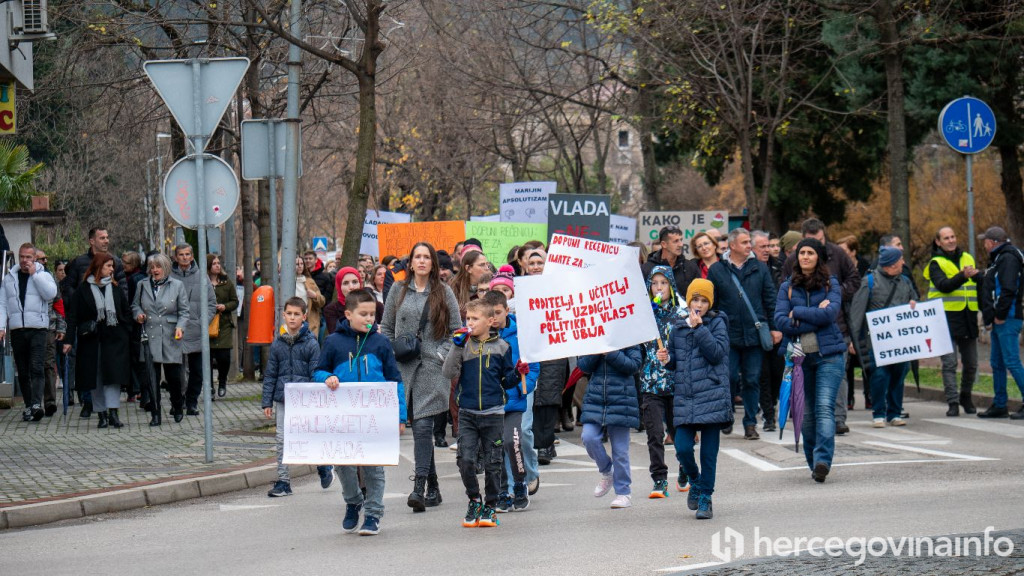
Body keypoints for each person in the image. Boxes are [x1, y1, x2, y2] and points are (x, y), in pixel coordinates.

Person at [314, 289, 407, 535]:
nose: (369, 319)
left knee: (373, 467)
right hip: (343, 417)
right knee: (343, 463)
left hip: (375, 417)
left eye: (373, 314)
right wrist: (328, 377)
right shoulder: (333, 341)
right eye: (363, 314)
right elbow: (318, 371)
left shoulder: (381, 342)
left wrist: (400, 416)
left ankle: (373, 514)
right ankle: (353, 500)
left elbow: (394, 380)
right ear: (348, 314)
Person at [380, 242, 462, 512]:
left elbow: (457, 331)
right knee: (420, 428)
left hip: (431, 367)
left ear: (433, 263)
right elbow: (388, 327)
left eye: (427, 257)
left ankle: (419, 487)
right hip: (404, 366)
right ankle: (435, 488)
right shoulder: (397, 290)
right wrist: (392, 354)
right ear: (411, 262)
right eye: (418, 257)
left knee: (424, 427)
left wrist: (441, 355)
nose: (423, 261)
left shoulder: (444, 292)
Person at [443, 299, 523, 527]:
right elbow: (448, 372)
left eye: (474, 319)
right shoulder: (464, 345)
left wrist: (518, 373)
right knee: (465, 460)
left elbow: (507, 381)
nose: (470, 323)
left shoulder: (502, 347)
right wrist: (456, 346)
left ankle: (490, 505)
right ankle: (474, 499)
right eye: (467, 318)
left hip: (494, 413)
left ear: (490, 321)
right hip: (467, 413)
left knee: (493, 461)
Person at [775, 239, 846, 483]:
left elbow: (830, 315)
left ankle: (822, 460)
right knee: (805, 414)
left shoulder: (830, 284)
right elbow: (781, 321)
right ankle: (813, 462)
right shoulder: (787, 287)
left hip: (829, 356)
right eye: (802, 252)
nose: (805, 256)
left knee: (824, 408)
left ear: (819, 257)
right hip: (799, 360)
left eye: (810, 253)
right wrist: (815, 315)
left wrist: (800, 313)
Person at [660, 278, 730, 520]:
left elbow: (717, 354)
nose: (698, 305)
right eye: (695, 300)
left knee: (708, 454)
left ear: (710, 303)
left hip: (711, 395)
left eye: (703, 300)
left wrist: (700, 328)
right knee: (682, 448)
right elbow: (676, 362)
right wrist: (666, 359)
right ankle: (695, 481)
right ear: (688, 301)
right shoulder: (678, 328)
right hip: (687, 396)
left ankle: (705, 498)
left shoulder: (718, 322)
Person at [783, 218, 860, 435]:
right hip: (802, 333)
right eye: (808, 244)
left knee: (838, 375)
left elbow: (854, 279)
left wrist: (835, 296)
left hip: (837, 327)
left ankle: (837, 418)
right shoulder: (794, 261)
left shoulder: (838, 254)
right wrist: (806, 311)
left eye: (818, 242)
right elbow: (784, 296)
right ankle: (815, 419)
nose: (810, 252)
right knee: (808, 384)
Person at [707, 228, 779, 439]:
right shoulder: (717, 270)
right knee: (727, 377)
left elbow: (770, 299)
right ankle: (726, 416)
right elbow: (712, 303)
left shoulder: (759, 268)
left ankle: (750, 423)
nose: (749, 245)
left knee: (752, 379)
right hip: (727, 335)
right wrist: (714, 328)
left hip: (754, 335)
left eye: (750, 242)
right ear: (732, 245)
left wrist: (775, 327)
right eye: (745, 242)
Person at [261, 297, 335, 496]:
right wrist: (267, 401)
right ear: (283, 315)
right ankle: (283, 481)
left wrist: (315, 399)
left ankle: (323, 466)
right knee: (281, 438)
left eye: (296, 314)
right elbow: (271, 374)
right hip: (284, 398)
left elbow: (315, 372)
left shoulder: (311, 344)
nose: (292, 318)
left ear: (304, 317)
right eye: (289, 314)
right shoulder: (277, 344)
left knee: (309, 437)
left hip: (305, 400)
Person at [483, 290, 539, 511]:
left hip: (516, 397)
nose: (494, 318)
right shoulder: (482, 336)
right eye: (490, 314)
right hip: (492, 403)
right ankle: (504, 491)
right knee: (497, 447)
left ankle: (522, 480)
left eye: (498, 312)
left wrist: (526, 384)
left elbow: (533, 365)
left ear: (507, 310)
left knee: (514, 439)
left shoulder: (521, 334)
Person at [849, 246, 917, 427]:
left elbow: (914, 300)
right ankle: (878, 412)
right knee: (880, 376)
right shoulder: (869, 282)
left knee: (899, 374)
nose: (903, 263)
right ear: (891, 265)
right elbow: (857, 313)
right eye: (900, 260)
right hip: (876, 342)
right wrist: (853, 340)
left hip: (901, 340)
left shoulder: (905, 282)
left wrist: (914, 304)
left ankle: (894, 413)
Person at [65, 252, 132, 429]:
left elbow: (125, 312)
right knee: (96, 378)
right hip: (91, 341)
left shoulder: (115, 288)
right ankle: (101, 414)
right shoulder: (83, 290)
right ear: (98, 267)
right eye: (108, 266)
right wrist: (68, 340)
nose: (112, 269)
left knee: (113, 377)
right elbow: (72, 317)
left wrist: (126, 332)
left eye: (112, 266)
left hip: (115, 340)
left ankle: (113, 413)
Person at [639, 266, 686, 498]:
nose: (659, 288)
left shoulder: (681, 315)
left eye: (663, 283)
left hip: (676, 382)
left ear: (671, 286)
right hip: (651, 383)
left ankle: (685, 467)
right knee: (654, 434)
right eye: (654, 284)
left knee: (679, 433)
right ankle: (659, 479)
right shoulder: (644, 316)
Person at [924, 227, 981, 417]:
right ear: (938, 242)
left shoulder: (968, 258)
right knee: (949, 363)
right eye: (946, 238)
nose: (951, 240)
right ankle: (953, 401)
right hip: (945, 318)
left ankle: (966, 395)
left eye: (953, 236)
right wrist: (962, 276)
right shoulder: (935, 263)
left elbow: (976, 287)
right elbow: (944, 286)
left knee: (972, 363)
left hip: (967, 317)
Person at [579, 344, 643, 509]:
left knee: (620, 450)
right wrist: (598, 351)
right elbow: (583, 366)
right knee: (588, 437)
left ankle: (623, 492)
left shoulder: (628, 336)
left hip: (622, 398)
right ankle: (607, 471)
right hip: (596, 397)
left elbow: (634, 365)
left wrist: (611, 352)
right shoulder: (594, 336)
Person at [0, 243, 58, 422]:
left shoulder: (43, 274)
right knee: (23, 370)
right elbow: (2, 303)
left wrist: (36, 275)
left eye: (28, 257)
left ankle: (35, 404)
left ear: (34, 258)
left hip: (38, 328)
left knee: (37, 366)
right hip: (18, 328)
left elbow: (51, 294)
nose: (24, 261)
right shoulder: (9, 277)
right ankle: (28, 405)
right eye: (22, 257)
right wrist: (2, 326)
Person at [132, 254, 189, 425]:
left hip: (171, 335)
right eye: (152, 267)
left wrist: (180, 326)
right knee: (151, 376)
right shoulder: (142, 285)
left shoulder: (177, 285)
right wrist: (138, 314)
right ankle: (155, 413)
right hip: (150, 335)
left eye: (158, 267)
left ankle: (177, 406)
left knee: (173, 377)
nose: (155, 270)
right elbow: (135, 305)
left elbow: (184, 311)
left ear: (166, 269)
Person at [976, 226, 1024, 419]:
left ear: (994, 242)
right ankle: (1000, 404)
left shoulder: (1008, 258)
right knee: (997, 362)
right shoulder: (1000, 258)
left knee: (1012, 361)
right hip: (1001, 317)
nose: (984, 244)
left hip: (1007, 317)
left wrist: (1000, 314)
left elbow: (1009, 289)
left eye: (985, 240)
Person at [170, 244, 217, 416]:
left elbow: (211, 303)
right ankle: (177, 400)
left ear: (192, 256)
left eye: (187, 254)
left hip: (196, 330)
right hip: (175, 330)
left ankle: (192, 402)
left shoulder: (201, 276)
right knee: (176, 370)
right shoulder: (169, 276)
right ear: (175, 257)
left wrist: (202, 321)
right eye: (181, 254)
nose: (184, 257)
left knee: (197, 370)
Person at [752, 230, 785, 432]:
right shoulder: (750, 269)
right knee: (762, 373)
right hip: (757, 327)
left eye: (769, 246)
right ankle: (768, 415)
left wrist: (777, 326)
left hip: (778, 325)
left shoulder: (778, 267)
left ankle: (771, 403)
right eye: (762, 247)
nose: (767, 250)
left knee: (777, 371)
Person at [836, 235, 872, 410]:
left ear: (853, 252)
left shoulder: (866, 268)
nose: (840, 254)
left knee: (865, 355)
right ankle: (848, 398)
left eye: (844, 251)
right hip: (845, 313)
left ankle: (869, 395)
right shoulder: (838, 267)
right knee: (847, 360)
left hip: (864, 314)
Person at [36, 248, 64, 415]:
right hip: (31, 328)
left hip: (49, 328)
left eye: (45, 259)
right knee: (34, 366)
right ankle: (34, 402)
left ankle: (50, 402)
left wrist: (61, 327)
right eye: (40, 259)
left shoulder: (52, 280)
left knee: (48, 364)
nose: (44, 262)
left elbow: (59, 305)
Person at [208, 254, 239, 398]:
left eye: (218, 263)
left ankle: (222, 381)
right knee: (207, 357)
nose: (217, 265)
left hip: (224, 323)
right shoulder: (203, 282)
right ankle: (209, 386)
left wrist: (224, 306)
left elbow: (235, 301)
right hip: (207, 324)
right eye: (214, 263)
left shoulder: (226, 282)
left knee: (224, 357)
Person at [324, 266, 382, 335]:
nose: (351, 287)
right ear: (339, 286)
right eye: (345, 283)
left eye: (355, 282)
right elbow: (336, 335)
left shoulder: (377, 306)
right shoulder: (331, 310)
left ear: (360, 283)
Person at [66, 227, 127, 293]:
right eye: (102, 238)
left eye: (107, 238)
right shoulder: (79, 262)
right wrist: (78, 301)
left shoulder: (115, 261)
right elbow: (69, 287)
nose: (107, 241)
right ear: (92, 241)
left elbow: (123, 287)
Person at [294, 257, 325, 338]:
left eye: (301, 264)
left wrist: (315, 296)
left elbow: (322, 301)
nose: (300, 266)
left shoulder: (309, 281)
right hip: (293, 320)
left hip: (310, 321)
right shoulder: (286, 282)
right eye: (297, 264)